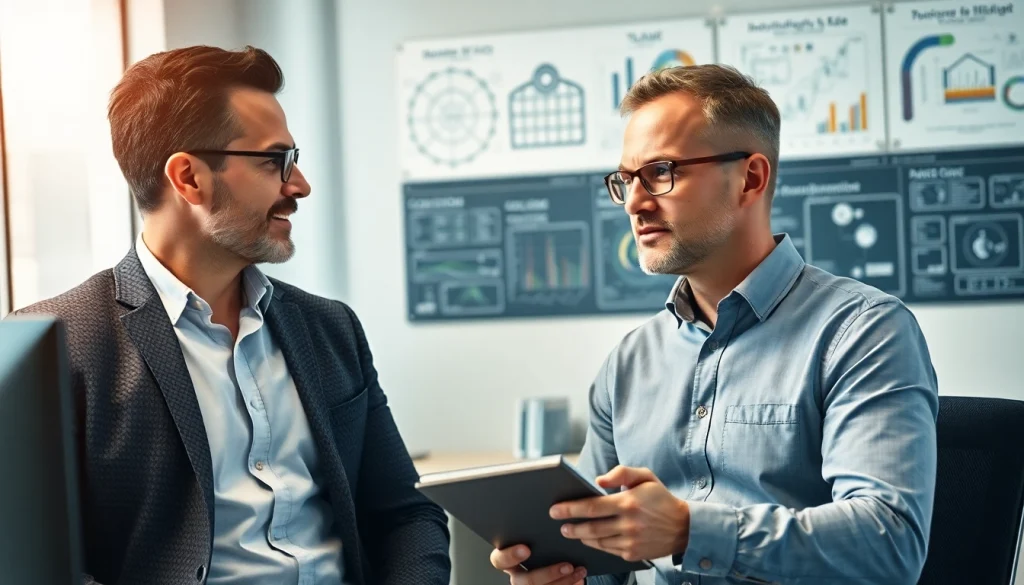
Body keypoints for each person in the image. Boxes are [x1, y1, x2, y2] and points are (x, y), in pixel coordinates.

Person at [12, 45, 450, 585]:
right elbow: (29, 564)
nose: (300, 185)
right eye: (275, 161)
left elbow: (406, 515)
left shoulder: (331, 329)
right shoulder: (55, 347)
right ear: (189, 178)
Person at [490, 64, 938, 585]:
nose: (635, 202)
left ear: (749, 179)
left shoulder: (863, 333)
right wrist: (563, 573)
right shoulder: (628, 365)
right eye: (625, 180)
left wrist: (687, 530)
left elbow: (890, 545)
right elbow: (598, 553)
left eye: (661, 172)